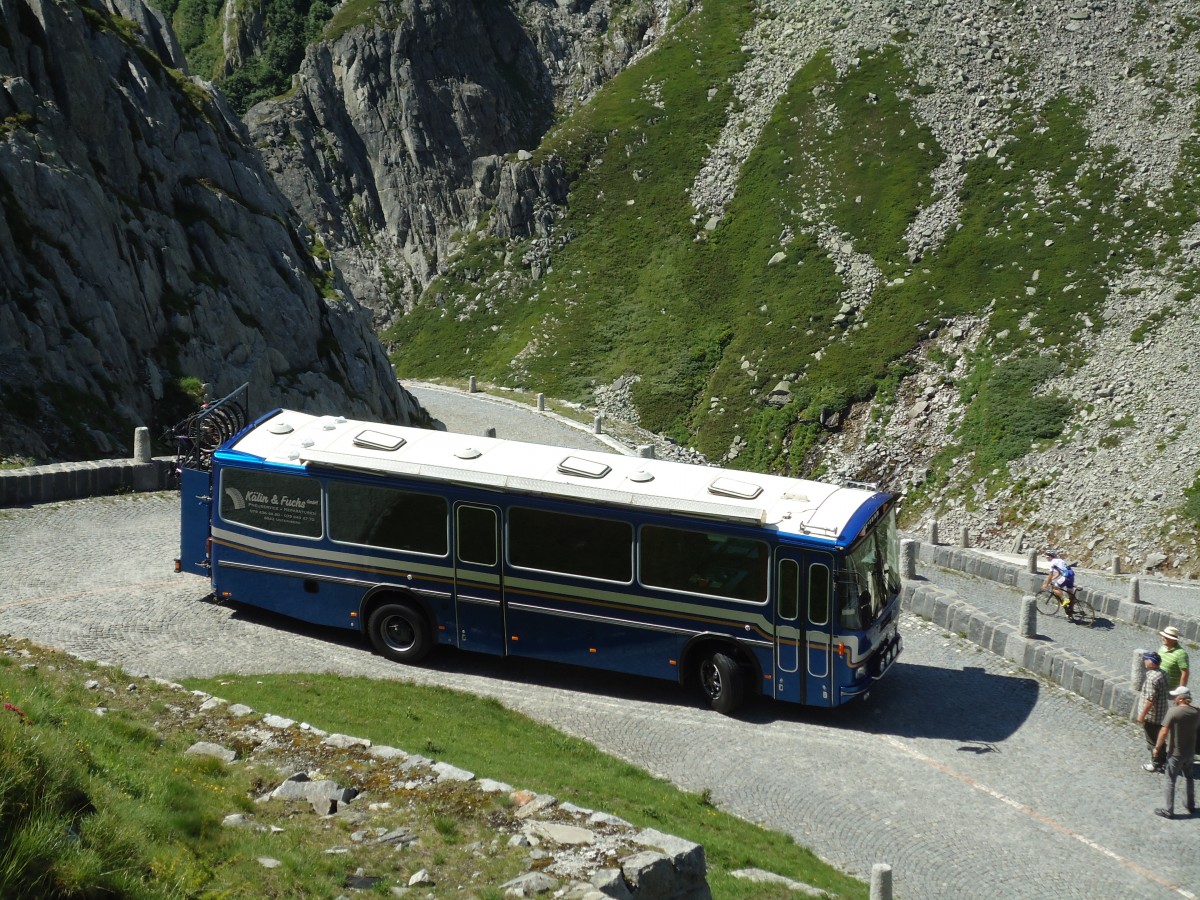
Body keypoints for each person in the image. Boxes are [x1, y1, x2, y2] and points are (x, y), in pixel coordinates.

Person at [1153, 685, 1197, 819]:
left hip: (1175, 753)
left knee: (1170, 779)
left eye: (1176, 696)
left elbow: (1164, 731)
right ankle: (1190, 804)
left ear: (1181, 698)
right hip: (1190, 752)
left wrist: (1157, 748)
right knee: (1189, 777)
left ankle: (1168, 810)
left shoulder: (1173, 712)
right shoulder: (1196, 712)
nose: (1174, 698)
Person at [1136, 652, 1168, 772]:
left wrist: (1142, 715)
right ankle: (1164, 760)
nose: (1144, 661)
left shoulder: (1151, 678)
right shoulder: (1164, 673)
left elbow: (1150, 700)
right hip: (1162, 712)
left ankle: (1156, 764)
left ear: (1151, 662)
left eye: (1146, 659)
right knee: (1160, 738)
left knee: (1152, 740)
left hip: (1152, 716)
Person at [1041, 551, 1076, 618]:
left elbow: (1050, 574)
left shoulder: (1052, 563)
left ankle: (1065, 599)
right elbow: (1059, 573)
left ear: (1050, 557)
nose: (1046, 558)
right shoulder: (1060, 560)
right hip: (1071, 576)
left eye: (1047, 557)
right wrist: (1052, 579)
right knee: (1071, 595)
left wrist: (1046, 584)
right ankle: (1070, 611)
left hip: (1065, 577)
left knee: (1054, 588)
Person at [1157, 626, 1190, 691]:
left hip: (1171, 690)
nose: (1163, 638)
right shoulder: (1161, 648)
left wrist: (1180, 691)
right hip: (1158, 687)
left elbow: (1185, 673)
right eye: (1163, 636)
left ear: (1174, 640)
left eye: (1166, 637)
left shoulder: (1181, 654)